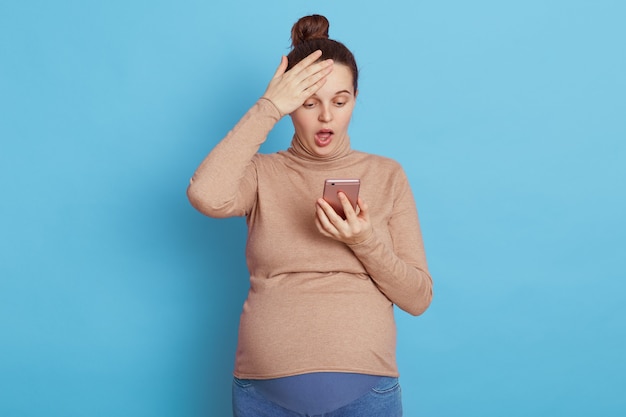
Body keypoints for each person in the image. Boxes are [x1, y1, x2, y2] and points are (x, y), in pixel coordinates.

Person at [187, 14, 433, 417]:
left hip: (367, 394)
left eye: (340, 101)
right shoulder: (261, 174)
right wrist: (268, 107)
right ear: (289, 107)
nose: (325, 117)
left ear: (356, 98)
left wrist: (362, 242)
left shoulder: (387, 175)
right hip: (262, 395)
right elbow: (204, 194)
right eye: (308, 102)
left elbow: (418, 298)